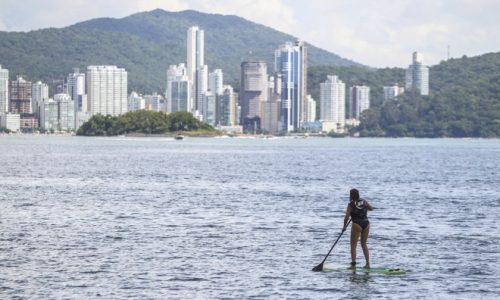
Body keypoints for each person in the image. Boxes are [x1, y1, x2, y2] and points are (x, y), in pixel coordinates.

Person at [343, 188, 374, 269]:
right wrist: (370, 207)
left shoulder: (351, 205)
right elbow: (370, 208)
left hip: (357, 224)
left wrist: (344, 227)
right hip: (366, 223)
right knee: (364, 244)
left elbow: (346, 217)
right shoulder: (364, 201)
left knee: (353, 245)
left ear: (351, 195)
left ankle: (353, 265)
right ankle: (368, 264)